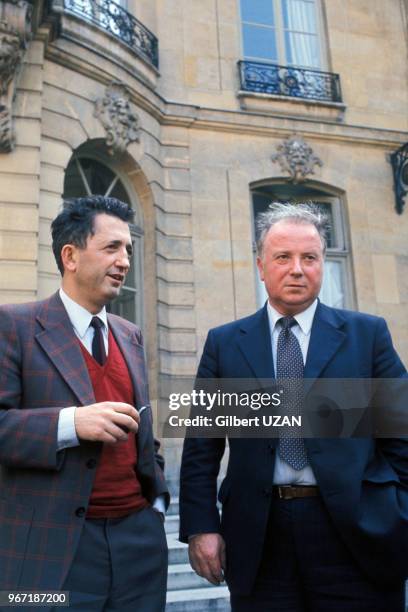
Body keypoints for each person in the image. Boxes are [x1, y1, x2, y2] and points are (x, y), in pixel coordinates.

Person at [179, 202, 408, 611]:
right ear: (261, 265)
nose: (297, 269)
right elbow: (202, 447)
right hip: (259, 538)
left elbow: (402, 435)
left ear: (322, 264)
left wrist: (398, 511)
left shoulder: (366, 335)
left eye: (310, 258)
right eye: (283, 257)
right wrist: (201, 527)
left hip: (357, 534)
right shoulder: (226, 344)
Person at [0, 196, 169, 611]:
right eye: (112, 247)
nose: (125, 260)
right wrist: (70, 424)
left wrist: (157, 506)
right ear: (70, 256)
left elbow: (145, 435)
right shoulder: (15, 325)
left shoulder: (130, 334)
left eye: (128, 249)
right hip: (53, 552)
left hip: (139, 546)